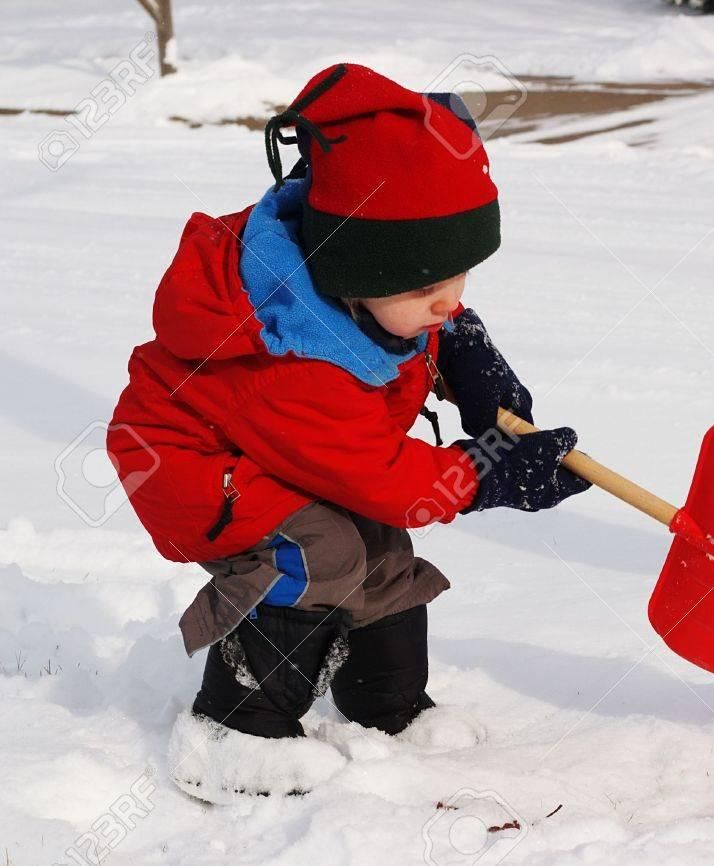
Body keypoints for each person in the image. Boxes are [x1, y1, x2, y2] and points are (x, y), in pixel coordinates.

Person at [106, 63, 590, 801]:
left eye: (460, 280)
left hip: (294, 451)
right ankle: (235, 730)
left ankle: (385, 708)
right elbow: (383, 477)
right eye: (428, 290)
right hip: (194, 463)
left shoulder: (369, 279)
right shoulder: (297, 360)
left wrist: (469, 362)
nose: (448, 303)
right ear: (352, 275)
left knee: (382, 549)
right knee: (320, 549)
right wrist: (486, 473)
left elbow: (419, 321)